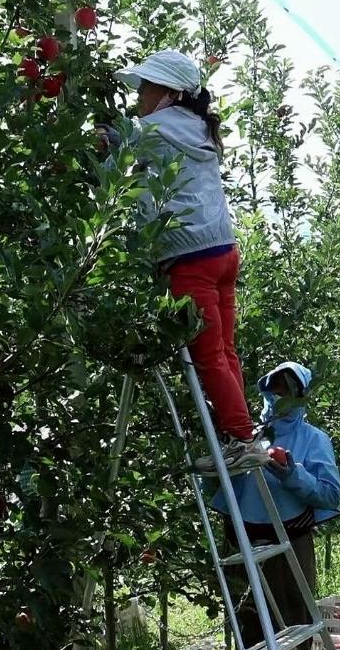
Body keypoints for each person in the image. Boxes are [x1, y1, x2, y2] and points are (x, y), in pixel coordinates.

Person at [113, 50, 268, 471]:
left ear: (169, 92)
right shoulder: (199, 126)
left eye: (146, 86)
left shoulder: (152, 129)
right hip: (222, 251)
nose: (139, 95)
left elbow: (109, 159)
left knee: (208, 355)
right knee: (225, 351)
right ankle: (244, 432)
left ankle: (241, 438)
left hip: (189, 258)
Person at [212, 362, 340, 650]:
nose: (279, 397)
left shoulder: (314, 440)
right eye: (275, 388)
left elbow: (331, 495)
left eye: (287, 389)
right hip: (245, 542)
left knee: (294, 633)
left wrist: (291, 473)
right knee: (247, 633)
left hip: (291, 543)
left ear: (301, 396)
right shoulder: (247, 437)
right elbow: (222, 491)